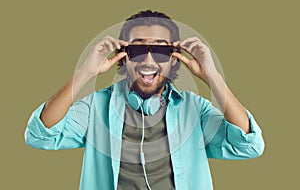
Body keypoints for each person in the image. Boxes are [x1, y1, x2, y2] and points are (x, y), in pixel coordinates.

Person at [24, 10, 264, 190]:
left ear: (174, 59)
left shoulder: (194, 108)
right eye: (138, 50)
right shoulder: (96, 107)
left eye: (160, 51)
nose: (148, 61)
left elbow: (248, 145)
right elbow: (40, 135)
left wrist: (212, 76)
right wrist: (85, 73)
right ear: (123, 57)